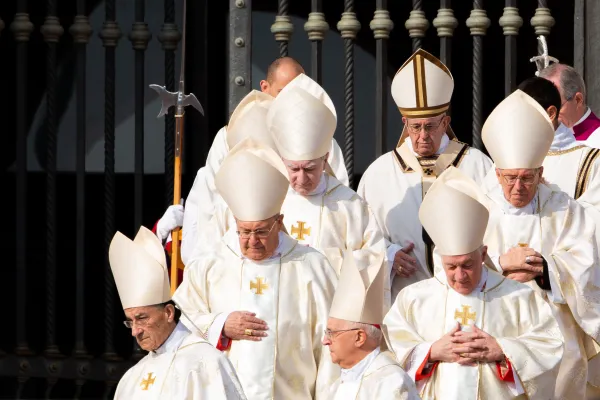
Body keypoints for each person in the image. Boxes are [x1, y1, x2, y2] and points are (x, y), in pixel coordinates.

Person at [172, 143, 339, 399]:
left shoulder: (312, 266)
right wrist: (220, 324)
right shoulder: (211, 263)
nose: (251, 241)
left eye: (261, 231)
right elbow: (176, 322)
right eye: (244, 231)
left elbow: (332, 344)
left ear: (279, 222)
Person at [384, 167, 564, 399]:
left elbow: (549, 344)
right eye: (451, 267)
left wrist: (502, 350)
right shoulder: (414, 298)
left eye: (467, 265)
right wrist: (430, 352)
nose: (460, 276)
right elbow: (389, 351)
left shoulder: (518, 296)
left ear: (483, 255)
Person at [202, 74, 387, 296]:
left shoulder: (350, 206)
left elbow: (375, 260)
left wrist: (324, 264)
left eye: (309, 169)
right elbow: (219, 255)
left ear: (325, 159)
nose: (301, 179)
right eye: (293, 169)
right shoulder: (261, 197)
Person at [154, 56, 349, 266]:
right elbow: (210, 198)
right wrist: (200, 259)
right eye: (283, 93)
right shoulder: (232, 136)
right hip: (245, 255)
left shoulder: (321, 139)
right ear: (265, 87)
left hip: (306, 253)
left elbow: (338, 196)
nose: (290, 102)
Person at [480, 89, 600, 399]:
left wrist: (543, 268)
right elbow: (452, 261)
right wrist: (500, 265)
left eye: (527, 178)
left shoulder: (564, 208)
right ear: (496, 173)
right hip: (493, 317)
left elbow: (586, 262)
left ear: (540, 173)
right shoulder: (479, 205)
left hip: (553, 325)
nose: (518, 187)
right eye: (509, 179)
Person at [357, 48, 492, 301]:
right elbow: (361, 236)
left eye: (430, 126)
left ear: (445, 122)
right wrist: (389, 254)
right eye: (415, 127)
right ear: (404, 123)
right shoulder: (380, 173)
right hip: (405, 295)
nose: (422, 136)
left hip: (467, 296)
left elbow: (497, 228)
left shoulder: (477, 165)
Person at [108, 226, 246, 399]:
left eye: (142, 318)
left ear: (168, 313)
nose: (136, 331)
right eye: (130, 322)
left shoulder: (207, 364)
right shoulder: (132, 377)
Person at [324, 252, 419, 399]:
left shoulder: (391, 382)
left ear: (360, 337)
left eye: (332, 333)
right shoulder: (337, 385)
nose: (325, 341)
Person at [539, 63, 600, 148]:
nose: (549, 117)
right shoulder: (540, 140)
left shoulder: (597, 141)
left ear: (578, 100)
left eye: (556, 108)